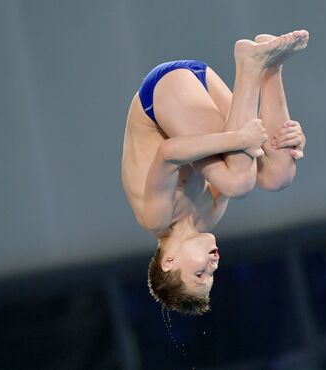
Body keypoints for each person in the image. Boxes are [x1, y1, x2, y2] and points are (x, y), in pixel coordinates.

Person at [122, 30, 309, 315]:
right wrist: (291, 141)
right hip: (198, 85)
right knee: (277, 175)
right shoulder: (206, 218)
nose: (213, 268)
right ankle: (271, 68)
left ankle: (250, 65)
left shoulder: (155, 218)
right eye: (212, 277)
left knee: (238, 182)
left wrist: (240, 140)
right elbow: (250, 150)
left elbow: (168, 153)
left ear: (168, 262)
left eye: (200, 276)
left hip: (161, 94)